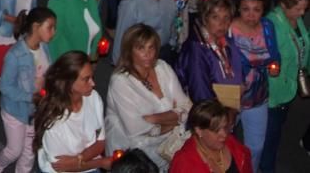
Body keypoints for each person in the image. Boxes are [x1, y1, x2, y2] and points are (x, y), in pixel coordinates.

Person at [106, 25, 192, 170]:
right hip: (136, 157)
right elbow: (135, 129)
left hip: (169, 148)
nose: (148, 54)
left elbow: (187, 106)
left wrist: (153, 119)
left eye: (151, 48)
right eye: (141, 48)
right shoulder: (120, 81)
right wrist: (175, 118)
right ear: (129, 51)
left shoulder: (162, 67)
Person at [0, 7, 57, 173]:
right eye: (50, 27)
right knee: (14, 150)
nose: (53, 32)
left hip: (35, 111)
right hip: (16, 111)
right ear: (35, 27)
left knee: (29, 152)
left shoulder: (45, 48)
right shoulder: (15, 55)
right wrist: (31, 97)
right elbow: (5, 86)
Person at [35, 50, 111, 173]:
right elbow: (62, 168)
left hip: (88, 165)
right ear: (69, 83)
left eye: (92, 77)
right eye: (86, 79)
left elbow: (100, 142)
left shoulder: (93, 97)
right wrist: (100, 162)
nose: (93, 83)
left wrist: (78, 159)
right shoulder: (53, 121)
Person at [229, 0, 279, 167]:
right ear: (238, 9)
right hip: (232, 96)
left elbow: (274, 53)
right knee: (225, 144)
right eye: (246, 9)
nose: (251, 15)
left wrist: (275, 66)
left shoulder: (267, 26)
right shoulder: (228, 30)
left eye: (257, 10)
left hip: (258, 95)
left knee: (256, 147)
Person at [263, 0, 310, 173]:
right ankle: (266, 167)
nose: (302, 13)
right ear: (283, 4)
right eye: (298, 9)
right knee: (270, 136)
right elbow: (269, 66)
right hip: (276, 94)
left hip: (289, 87)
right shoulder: (271, 25)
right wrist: (287, 87)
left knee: (279, 125)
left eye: (304, 8)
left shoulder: (295, 18)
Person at [176, 0, 245, 103]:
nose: (222, 23)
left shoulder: (228, 41)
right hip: (211, 114)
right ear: (205, 18)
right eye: (215, 17)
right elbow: (200, 93)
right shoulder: (197, 49)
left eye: (226, 17)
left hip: (230, 107)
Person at [111, 0, 177, 63]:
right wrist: (119, 65)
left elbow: (171, 20)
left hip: (166, 49)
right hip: (144, 56)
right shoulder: (130, 4)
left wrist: (173, 42)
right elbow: (121, 38)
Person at [167, 99, 252, 173]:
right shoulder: (184, 163)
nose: (224, 135)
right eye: (216, 130)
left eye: (225, 127)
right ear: (199, 131)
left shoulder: (232, 144)